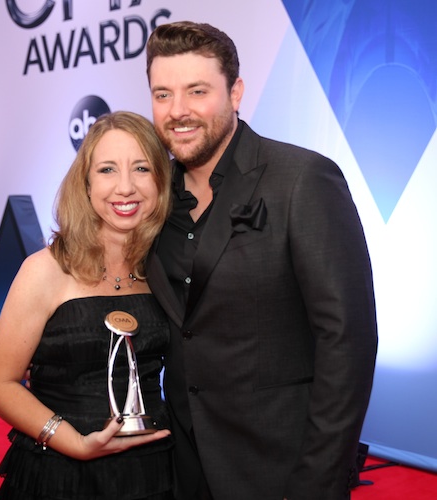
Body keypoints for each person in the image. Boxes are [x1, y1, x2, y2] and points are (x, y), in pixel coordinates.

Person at [144, 21, 378, 500]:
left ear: (236, 93)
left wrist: (319, 479)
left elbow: (347, 340)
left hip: (282, 469)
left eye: (197, 91)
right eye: (162, 94)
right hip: (182, 466)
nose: (178, 111)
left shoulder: (301, 180)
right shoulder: (153, 197)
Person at [0, 111, 174, 500]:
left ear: (161, 182)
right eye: (106, 170)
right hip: (59, 475)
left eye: (141, 168)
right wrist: (72, 442)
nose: (125, 187)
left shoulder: (167, 270)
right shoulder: (44, 271)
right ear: (84, 185)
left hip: (154, 472)